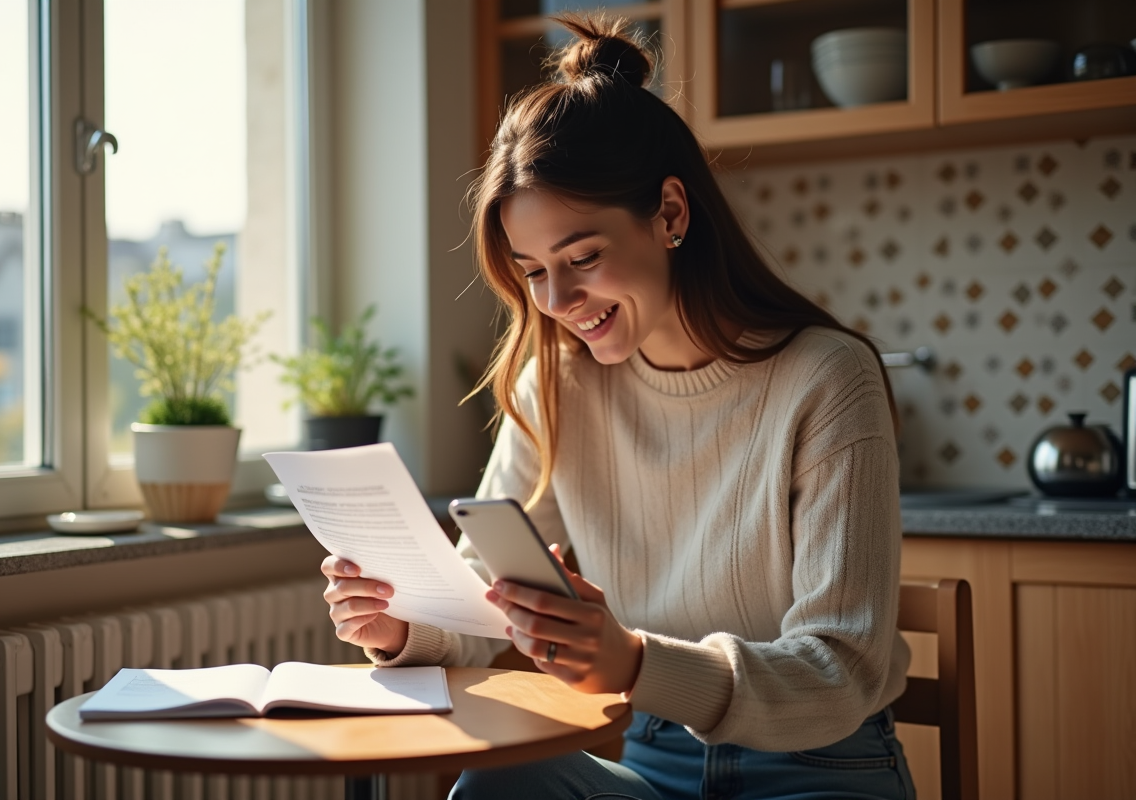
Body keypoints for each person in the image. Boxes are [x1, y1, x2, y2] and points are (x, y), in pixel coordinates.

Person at [321, 12, 915, 800]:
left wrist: (635, 661)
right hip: (654, 764)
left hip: (818, 768)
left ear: (670, 214)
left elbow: (845, 669)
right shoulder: (559, 387)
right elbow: (481, 597)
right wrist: (401, 627)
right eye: (532, 271)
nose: (558, 300)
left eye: (584, 257)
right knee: (501, 783)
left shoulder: (825, 379)